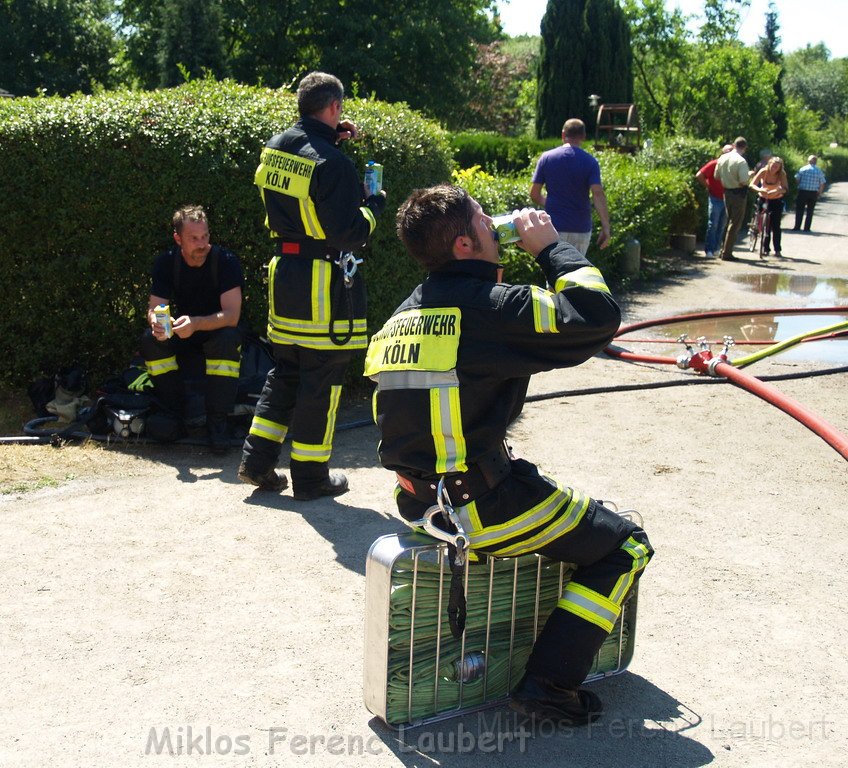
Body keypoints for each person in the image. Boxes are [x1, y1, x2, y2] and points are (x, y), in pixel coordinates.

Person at [365, 184, 653, 725]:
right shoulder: (490, 309)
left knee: (562, 513)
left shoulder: (402, 315)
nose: (493, 221)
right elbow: (594, 315)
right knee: (625, 546)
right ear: (464, 244)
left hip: (422, 503)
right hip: (481, 507)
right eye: (482, 217)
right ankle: (549, 685)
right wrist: (550, 248)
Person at [238, 71, 386, 501]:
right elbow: (348, 232)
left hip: (285, 277)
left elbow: (306, 184)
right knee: (321, 381)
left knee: (284, 372)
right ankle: (310, 477)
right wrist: (373, 206)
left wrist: (332, 139)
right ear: (335, 106)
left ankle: (256, 463)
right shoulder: (334, 163)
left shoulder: (277, 145)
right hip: (323, 284)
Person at [139, 205, 244, 454]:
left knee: (227, 338)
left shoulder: (226, 261)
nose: (201, 244)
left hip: (216, 330)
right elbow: (155, 307)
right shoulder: (166, 262)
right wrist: (157, 324)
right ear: (178, 239)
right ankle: (174, 413)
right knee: (150, 340)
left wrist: (196, 323)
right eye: (194, 238)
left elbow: (232, 316)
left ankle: (217, 422)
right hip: (182, 331)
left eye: (205, 236)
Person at [529, 118, 610, 255]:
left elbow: (534, 194)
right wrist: (606, 227)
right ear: (583, 136)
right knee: (577, 273)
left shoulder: (546, 158)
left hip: (553, 227)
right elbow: (598, 194)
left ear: (563, 134)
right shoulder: (590, 162)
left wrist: (551, 203)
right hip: (581, 227)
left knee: (554, 272)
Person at [696, 144, 734, 259]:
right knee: (713, 223)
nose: (729, 153)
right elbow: (699, 175)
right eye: (727, 151)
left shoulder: (734, 165)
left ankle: (717, 248)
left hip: (727, 198)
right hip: (715, 197)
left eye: (731, 152)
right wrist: (708, 186)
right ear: (722, 153)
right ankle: (709, 250)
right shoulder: (714, 163)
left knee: (722, 225)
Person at [716, 136, 751, 261]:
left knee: (727, 221)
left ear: (734, 145)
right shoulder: (741, 161)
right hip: (738, 193)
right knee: (735, 223)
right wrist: (749, 176)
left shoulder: (722, 158)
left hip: (726, 192)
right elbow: (743, 181)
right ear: (745, 148)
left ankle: (721, 249)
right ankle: (727, 252)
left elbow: (716, 176)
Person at [749, 156, 789, 258]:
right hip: (763, 198)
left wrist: (777, 190)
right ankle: (765, 248)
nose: (774, 168)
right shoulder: (763, 171)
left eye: (777, 167)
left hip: (776, 199)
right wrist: (760, 190)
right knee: (764, 222)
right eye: (773, 165)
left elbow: (785, 188)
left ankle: (777, 249)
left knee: (775, 225)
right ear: (769, 164)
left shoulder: (782, 174)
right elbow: (752, 184)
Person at [793, 155, 826, 232]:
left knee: (799, 209)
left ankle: (797, 226)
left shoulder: (803, 169)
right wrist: (819, 192)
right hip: (813, 193)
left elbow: (797, 178)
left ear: (808, 161)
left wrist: (799, 185)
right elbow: (822, 183)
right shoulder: (819, 171)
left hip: (802, 191)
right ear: (816, 161)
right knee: (810, 211)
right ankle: (807, 228)